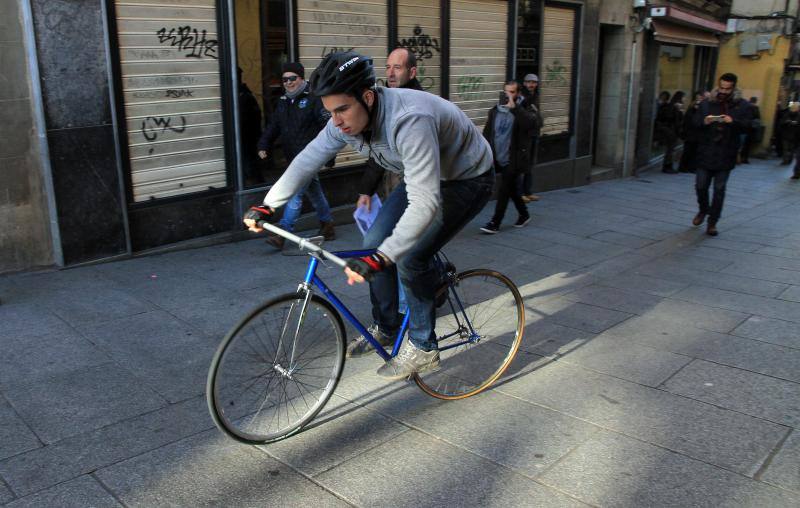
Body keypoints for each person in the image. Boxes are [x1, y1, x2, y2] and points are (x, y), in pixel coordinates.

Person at [244, 51, 495, 379]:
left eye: (342, 109)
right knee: (373, 242)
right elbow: (308, 159)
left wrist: (388, 256)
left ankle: (422, 346)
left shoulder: (409, 119)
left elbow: (425, 202)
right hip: (421, 176)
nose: (336, 121)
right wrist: (270, 204)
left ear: (367, 97)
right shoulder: (344, 122)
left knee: (407, 256)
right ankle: (388, 325)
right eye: (330, 112)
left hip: (468, 177)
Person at [257, 62, 336, 249]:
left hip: (310, 158)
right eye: (285, 79)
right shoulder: (284, 101)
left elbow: (328, 127)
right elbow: (274, 125)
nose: (288, 82)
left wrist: (329, 156)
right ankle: (328, 225)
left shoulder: (314, 99)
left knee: (295, 194)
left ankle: (283, 233)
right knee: (315, 191)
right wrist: (263, 144)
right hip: (293, 157)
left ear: (301, 78)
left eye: (292, 78)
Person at [691, 73, 752, 236]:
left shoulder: (742, 105)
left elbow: (748, 126)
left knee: (719, 189)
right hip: (706, 151)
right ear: (718, 85)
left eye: (727, 88)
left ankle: (712, 222)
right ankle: (703, 209)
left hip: (726, 153)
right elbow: (694, 122)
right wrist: (705, 121)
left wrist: (733, 122)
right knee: (700, 185)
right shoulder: (707, 103)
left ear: (734, 87)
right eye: (722, 87)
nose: (724, 91)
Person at [479, 81, 539, 234]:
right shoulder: (495, 111)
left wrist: (516, 109)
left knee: (504, 190)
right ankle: (524, 214)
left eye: (512, 92)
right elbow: (488, 133)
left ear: (518, 93)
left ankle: (495, 222)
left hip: (514, 159)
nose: (508, 95)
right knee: (512, 188)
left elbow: (533, 124)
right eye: (506, 92)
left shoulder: (525, 108)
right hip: (497, 157)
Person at [237, 67, 263, 186]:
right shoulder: (242, 94)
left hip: (247, 138)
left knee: (250, 165)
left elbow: (255, 118)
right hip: (247, 137)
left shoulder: (245, 96)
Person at [519, 73, 542, 202]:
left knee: (530, 164)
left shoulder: (535, 96)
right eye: (528, 82)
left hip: (534, 133)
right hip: (525, 135)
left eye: (533, 82)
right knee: (523, 164)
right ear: (524, 83)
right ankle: (520, 193)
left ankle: (528, 191)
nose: (531, 84)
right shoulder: (521, 97)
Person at [655, 91, 682, 173]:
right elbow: (672, 119)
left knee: (671, 150)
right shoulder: (670, 107)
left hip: (671, 131)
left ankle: (668, 166)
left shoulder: (671, 107)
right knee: (670, 150)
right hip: (670, 131)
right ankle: (667, 166)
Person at [679, 90, 705, 173]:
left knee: (693, 151)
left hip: (695, 133)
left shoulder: (699, 107)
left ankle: (689, 167)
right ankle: (685, 167)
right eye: (698, 98)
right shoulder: (692, 107)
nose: (699, 100)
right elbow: (689, 120)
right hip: (691, 133)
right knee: (689, 151)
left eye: (700, 98)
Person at [739, 97, 761, 164]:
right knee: (747, 145)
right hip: (751, 129)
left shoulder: (745, 107)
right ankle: (745, 158)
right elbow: (758, 118)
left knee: (741, 144)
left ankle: (739, 157)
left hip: (744, 129)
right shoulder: (756, 108)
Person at [779, 101, 800, 167]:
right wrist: (787, 122)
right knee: (790, 149)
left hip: (791, 135)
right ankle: (787, 160)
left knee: (788, 148)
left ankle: (786, 160)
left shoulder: (787, 114)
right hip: (792, 135)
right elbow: (782, 123)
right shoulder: (788, 114)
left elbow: (781, 123)